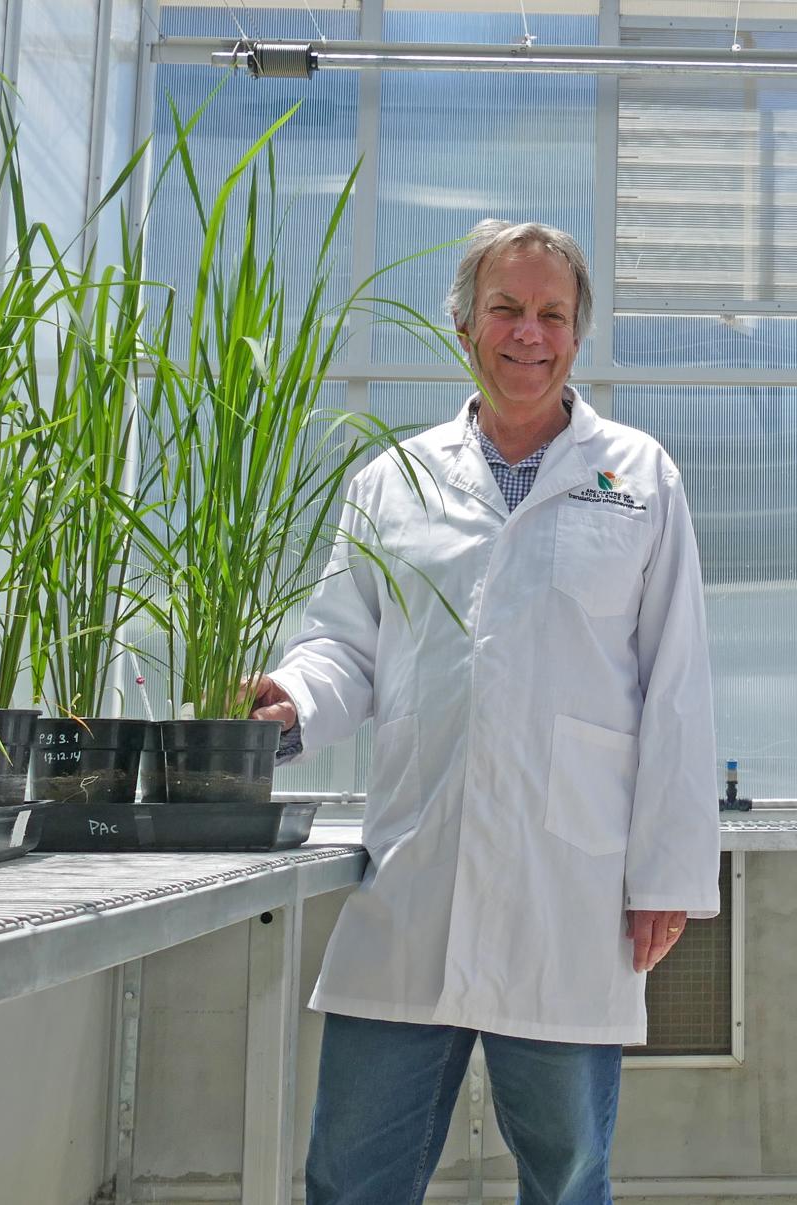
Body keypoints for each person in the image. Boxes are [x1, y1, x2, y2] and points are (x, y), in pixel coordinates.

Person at [248, 219, 720, 1205]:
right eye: (506, 308)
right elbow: (346, 640)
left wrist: (667, 868)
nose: (528, 333)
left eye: (552, 313)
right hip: (416, 876)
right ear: (463, 325)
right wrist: (291, 697)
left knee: (567, 1172)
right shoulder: (395, 477)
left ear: (578, 336)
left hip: (570, 890)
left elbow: (676, 683)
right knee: (350, 1174)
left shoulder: (639, 476)